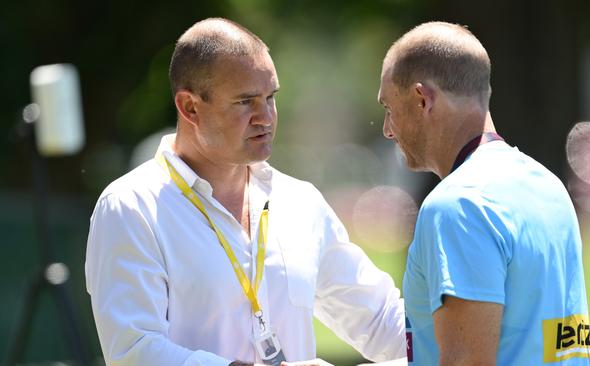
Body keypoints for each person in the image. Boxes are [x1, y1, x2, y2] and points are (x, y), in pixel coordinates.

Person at [85, 18, 405, 366]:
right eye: (245, 102)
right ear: (189, 107)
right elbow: (134, 353)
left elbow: (380, 321)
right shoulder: (129, 208)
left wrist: (459, 339)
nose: (266, 117)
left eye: (270, 97)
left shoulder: (300, 202)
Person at [378, 22, 590, 365]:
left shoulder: (457, 206)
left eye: (389, 108)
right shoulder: (548, 187)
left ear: (422, 99)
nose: (388, 129)